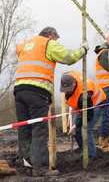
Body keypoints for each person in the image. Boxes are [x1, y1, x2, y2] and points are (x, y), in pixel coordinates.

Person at [14, 27, 89, 176]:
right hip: (37, 91)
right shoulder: (48, 43)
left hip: (19, 90)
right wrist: (84, 49)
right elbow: (71, 57)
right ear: (51, 36)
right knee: (39, 128)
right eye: (56, 39)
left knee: (24, 128)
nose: (56, 42)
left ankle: (27, 164)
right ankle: (40, 168)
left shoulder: (25, 45)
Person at [60, 70, 107, 158]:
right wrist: (75, 127)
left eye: (69, 90)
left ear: (74, 83)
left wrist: (75, 126)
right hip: (82, 106)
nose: (67, 92)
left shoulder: (84, 93)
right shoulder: (66, 77)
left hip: (97, 103)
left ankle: (91, 157)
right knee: (76, 130)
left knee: (85, 129)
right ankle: (84, 152)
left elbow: (89, 115)